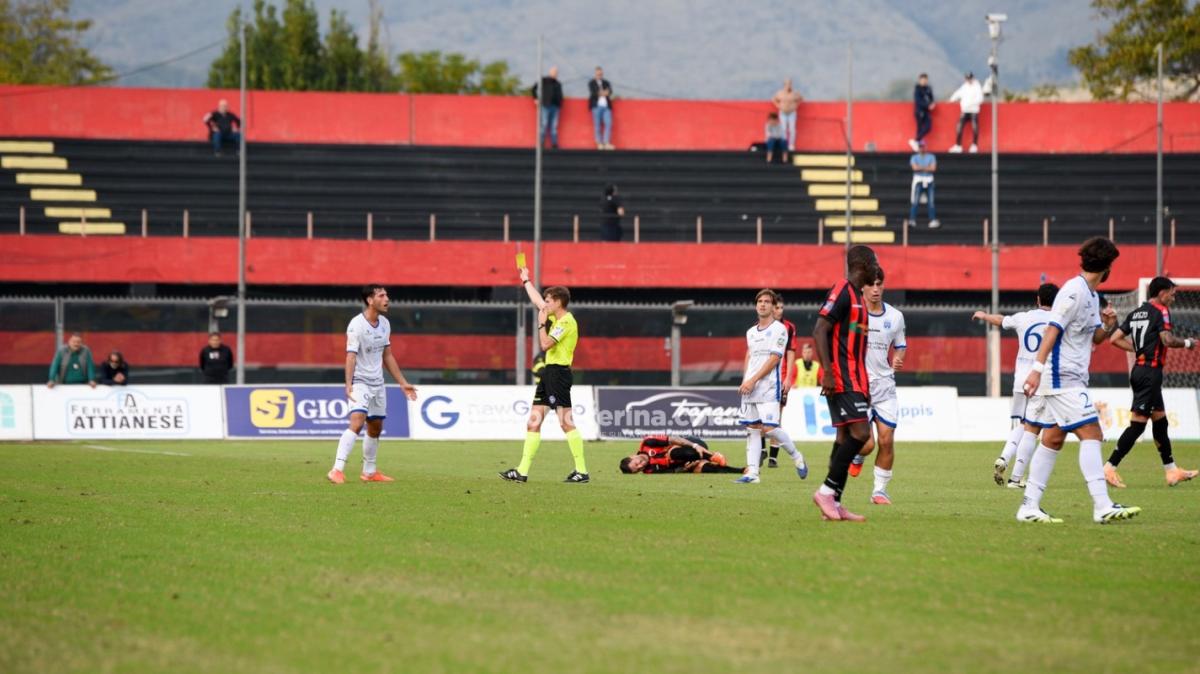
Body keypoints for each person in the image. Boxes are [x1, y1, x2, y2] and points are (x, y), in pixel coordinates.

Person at [1017, 237, 1140, 524]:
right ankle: (1102, 505)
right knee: (1092, 433)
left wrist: (1108, 325)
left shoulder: (1092, 296)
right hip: (1061, 377)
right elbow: (1052, 329)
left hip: (1070, 377)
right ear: (1107, 266)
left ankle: (1029, 506)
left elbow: (1095, 337)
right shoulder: (1073, 291)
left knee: (1053, 439)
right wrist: (1036, 369)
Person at [1104, 276, 1198, 488]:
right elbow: (1167, 340)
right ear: (1162, 293)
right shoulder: (1161, 311)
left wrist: (1138, 349)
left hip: (1141, 371)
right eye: (1172, 294)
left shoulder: (1136, 313)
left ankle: (1171, 471)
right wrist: (1187, 343)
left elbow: (1114, 338)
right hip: (1149, 373)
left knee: (1160, 421)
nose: (1173, 298)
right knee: (1138, 425)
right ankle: (1109, 467)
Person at [500, 268, 588, 483]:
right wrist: (526, 280)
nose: (545, 304)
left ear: (558, 302)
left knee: (565, 422)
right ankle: (522, 471)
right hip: (549, 374)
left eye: (549, 301)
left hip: (559, 374)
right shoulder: (556, 317)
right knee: (533, 422)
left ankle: (582, 471)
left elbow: (546, 344)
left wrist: (540, 324)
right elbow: (537, 301)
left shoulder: (566, 322)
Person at [811, 245, 878, 522]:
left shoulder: (859, 298)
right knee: (861, 435)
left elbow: (857, 348)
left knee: (843, 438)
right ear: (862, 265)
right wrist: (827, 371)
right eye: (874, 262)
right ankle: (826, 492)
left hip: (856, 379)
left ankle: (835, 503)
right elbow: (820, 330)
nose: (877, 267)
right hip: (841, 377)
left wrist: (865, 385)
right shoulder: (842, 290)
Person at [327, 284, 418, 484]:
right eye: (382, 295)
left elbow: (388, 356)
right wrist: (348, 384)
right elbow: (350, 356)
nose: (387, 299)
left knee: (375, 427)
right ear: (370, 300)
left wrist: (403, 383)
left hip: (378, 383)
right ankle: (336, 470)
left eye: (387, 295)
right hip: (360, 381)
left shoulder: (385, 323)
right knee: (357, 422)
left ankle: (369, 472)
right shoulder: (356, 325)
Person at [972, 283, 1059, 489]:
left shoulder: (1023, 317)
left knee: (1021, 423)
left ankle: (1004, 457)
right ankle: (1016, 478)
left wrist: (984, 315)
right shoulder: (1058, 321)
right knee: (1032, 429)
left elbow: (1001, 320)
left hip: (1020, 379)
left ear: (1038, 299)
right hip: (1040, 379)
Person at [733, 289, 807, 484]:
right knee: (752, 429)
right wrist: (745, 380)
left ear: (774, 307)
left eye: (767, 301)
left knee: (770, 429)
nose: (763, 304)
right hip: (750, 387)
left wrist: (753, 380)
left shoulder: (779, 329)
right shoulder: (750, 332)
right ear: (756, 305)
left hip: (768, 387)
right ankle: (752, 473)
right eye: (760, 301)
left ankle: (796, 455)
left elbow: (774, 359)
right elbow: (751, 357)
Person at [848, 267, 907, 505]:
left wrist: (898, 358)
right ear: (862, 287)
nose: (875, 289)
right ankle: (858, 456)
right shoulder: (853, 315)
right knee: (867, 445)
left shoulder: (895, 316)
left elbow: (900, 345)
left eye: (879, 284)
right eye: (871, 284)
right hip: (858, 387)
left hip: (885, 387)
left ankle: (880, 491)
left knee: (886, 440)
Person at [764, 295, 798, 468]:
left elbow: (791, 353)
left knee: (776, 417)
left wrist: (788, 377)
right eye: (776, 307)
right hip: (764, 377)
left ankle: (773, 457)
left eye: (781, 308)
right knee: (760, 417)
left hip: (780, 378)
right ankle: (761, 449)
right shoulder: (762, 326)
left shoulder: (789, 327)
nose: (779, 311)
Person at [619, 435, 743, 474]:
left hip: (693, 444)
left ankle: (711, 456)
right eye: (638, 470)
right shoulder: (650, 470)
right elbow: (673, 471)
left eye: (637, 464)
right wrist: (686, 468)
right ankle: (741, 470)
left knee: (671, 453)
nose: (641, 466)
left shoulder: (647, 442)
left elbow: (674, 439)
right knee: (701, 469)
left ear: (632, 456)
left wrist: (695, 446)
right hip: (688, 460)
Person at [948, 72, 983, 153]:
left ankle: (974, 145)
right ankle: (958, 145)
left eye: (970, 78)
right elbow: (958, 93)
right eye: (967, 78)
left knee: (975, 127)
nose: (969, 80)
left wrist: (970, 104)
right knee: (959, 127)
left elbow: (980, 99)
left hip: (974, 111)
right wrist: (952, 99)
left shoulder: (977, 87)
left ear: (972, 78)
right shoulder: (964, 86)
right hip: (965, 110)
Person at [909, 140, 940, 229]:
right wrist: (927, 168)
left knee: (931, 202)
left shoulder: (931, 156)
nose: (921, 148)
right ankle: (912, 219)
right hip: (919, 181)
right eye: (920, 147)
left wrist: (920, 168)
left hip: (929, 180)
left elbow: (933, 168)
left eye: (923, 146)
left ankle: (932, 220)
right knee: (915, 201)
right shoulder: (914, 157)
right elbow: (914, 168)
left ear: (925, 147)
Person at [532, 66, 564, 149]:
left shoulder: (558, 83)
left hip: (555, 107)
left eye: (556, 72)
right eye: (553, 72)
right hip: (545, 105)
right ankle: (541, 143)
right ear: (550, 73)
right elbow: (534, 88)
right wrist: (535, 98)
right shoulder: (544, 80)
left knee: (554, 126)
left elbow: (560, 95)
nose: (555, 74)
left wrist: (559, 104)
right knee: (544, 124)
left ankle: (554, 144)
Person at [771, 78, 803, 152]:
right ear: (784, 85)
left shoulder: (794, 93)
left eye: (789, 84)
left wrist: (796, 105)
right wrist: (778, 106)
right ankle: (784, 144)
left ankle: (791, 145)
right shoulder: (780, 93)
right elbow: (773, 99)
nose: (788, 86)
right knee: (783, 129)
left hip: (792, 113)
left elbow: (801, 98)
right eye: (787, 84)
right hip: (783, 113)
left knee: (792, 129)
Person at [588, 66, 615, 150]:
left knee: (608, 123)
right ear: (595, 74)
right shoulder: (592, 83)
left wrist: (602, 93)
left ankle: (606, 142)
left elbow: (610, 91)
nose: (599, 75)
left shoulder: (606, 82)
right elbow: (594, 92)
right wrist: (604, 92)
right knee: (597, 124)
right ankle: (599, 143)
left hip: (606, 107)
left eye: (601, 74)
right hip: (596, 106)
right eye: (598, 74)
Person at [909, 73, 935, 152]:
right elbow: (918, 101)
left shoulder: (928, 89)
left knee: (928, 127)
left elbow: (931, 98)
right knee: (920, 129)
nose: (924, 81)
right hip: (919, 111)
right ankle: (917, 145)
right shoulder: (917, 89)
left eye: (925, 80)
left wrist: (932, 104)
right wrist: (927, 105)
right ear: (920, 80)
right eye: (922, 80)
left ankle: (915, 141)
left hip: (927, 112)